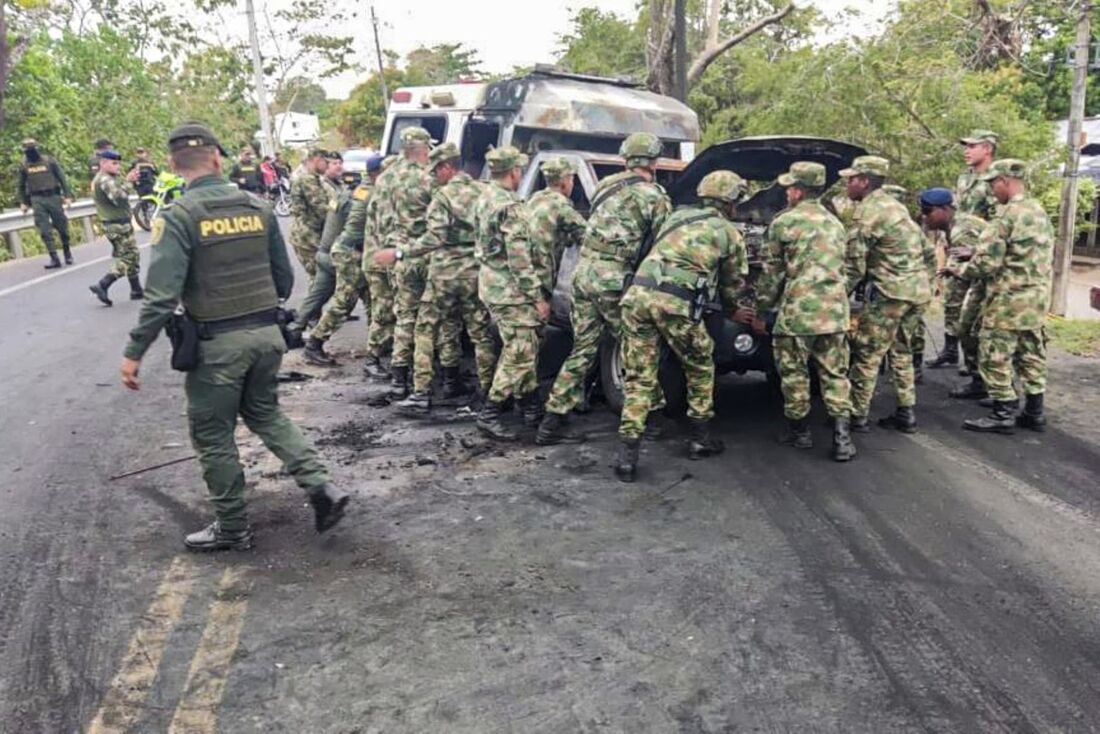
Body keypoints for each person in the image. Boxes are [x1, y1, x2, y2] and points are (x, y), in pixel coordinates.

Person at [119, 122, 348, 551]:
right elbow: (283, 281)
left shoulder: (178, 216)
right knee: (266, 415)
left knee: (213, 435)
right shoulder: (258, 209)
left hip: (217, 347)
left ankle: (232, 526)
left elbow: (160, 297)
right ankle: (321, 487)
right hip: (267, 337)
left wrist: (133, 353)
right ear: (218, 159)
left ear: (172, 165)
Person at [537, 133, 672, 444]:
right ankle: (650, 417)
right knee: (636, 345)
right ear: (653, 162)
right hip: (613, 279)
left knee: (583, 348)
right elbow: (661, 246)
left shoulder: (604, 187)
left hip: (582, 277)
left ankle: (551, 421)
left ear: (626, 159)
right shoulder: (655, 196)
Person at [613, 171, 748, 481]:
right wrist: (733, 311)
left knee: (639, 377)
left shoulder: (676, 217)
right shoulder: (728, 232)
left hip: (636, 299)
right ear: (731, 202)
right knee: (700, 365)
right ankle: (701, 438)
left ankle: (626, 457)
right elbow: (731, 285)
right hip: (676, 304)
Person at [377, 142, 497, 415]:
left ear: (447, 167)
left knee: (425, 330)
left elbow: (435, 238)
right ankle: (488, 392)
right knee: (480, 333)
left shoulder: (443, 197)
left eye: (436, 170)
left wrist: (398, 253)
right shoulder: (484, 191)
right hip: (475, 274)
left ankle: (421, 394)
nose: (433, 176)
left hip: (444, 275)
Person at [943, 159, 1053, 433]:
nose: (992, 190)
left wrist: (959, 270)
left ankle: (1003, 412)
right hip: (1036, 299)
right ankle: (1034, 411)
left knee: (995, 356)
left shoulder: (1006, 217)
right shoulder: (1038, 212)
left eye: (993, 183)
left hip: (1007, 300)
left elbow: (986, 264)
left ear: (1005, 180)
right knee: (1032, 355)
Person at [756, 162, 856, 462]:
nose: (787, 192)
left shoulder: (784, 223)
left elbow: (772, 274)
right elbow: (847, 268)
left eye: (790, 187)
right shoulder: (836, 225)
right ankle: (842, 440)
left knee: (794, 374)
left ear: (799, 191)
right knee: (835, 374)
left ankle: (800, 433)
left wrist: (761, 309)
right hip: (835, 313)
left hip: (797, 314)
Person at [842, 155, 931, 433]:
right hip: (917, 292)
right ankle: (906, 411)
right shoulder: (896, 208)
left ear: (865, 182)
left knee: (867, 352)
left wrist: (836, 296)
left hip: (890, 293)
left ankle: (856, 415)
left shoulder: (868, 212)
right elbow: (926, 248)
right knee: (901, 351)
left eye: (852, 179)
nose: (847, 184)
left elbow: (854, 265)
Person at [374, 127, 451, 397]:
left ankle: (398, 377)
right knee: (432, 319)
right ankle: (437, 375)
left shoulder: (385, 178)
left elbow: (378, 218)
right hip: (424, 255)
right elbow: (441, 220)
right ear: (423, 149)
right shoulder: (428, 178)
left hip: (396, 256)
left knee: (404, 317)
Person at [474, 146, 543, 440]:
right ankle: (490, 412)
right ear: (514, 171)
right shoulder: (510, 207)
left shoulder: (485, 197)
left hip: (491, 284)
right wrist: (537, 297)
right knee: (520, 352)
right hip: (511, 292)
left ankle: (529, 406)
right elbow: (519, 258)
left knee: (518, 345)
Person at [928, 129, 1000, 370]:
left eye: (972, 146)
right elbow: (953, 212)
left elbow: (999, 222)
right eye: (965, 146)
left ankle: (977, 365)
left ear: (988, 148)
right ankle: (950, 350)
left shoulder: (996, 179)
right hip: (957, 244)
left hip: (980, 248)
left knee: (974, 308)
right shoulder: (965, 178)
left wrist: (980, 249)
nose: (966, 151)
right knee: (951, 297)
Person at [302, 155, 374, 365]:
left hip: (345, 250)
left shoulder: (357, 191)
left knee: (372, 299)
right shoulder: (369, 194)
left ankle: (378, 346)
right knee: (345, 301)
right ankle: (314, 344)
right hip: (349, 253)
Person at [918, 188, 989, 399]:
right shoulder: (949, 226)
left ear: (945, 209)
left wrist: (954, 270)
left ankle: (983, 382)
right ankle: (980, 377)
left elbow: (978, 267)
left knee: (971, 329)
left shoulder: (963, 230)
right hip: (977, 282)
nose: (924, 216)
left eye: (928, 211)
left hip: (988, 285)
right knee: (963, 323)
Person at [291, 156, 360, 358]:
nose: (339, 166)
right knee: (345, 298)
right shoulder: (351, 199)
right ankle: (315, 341)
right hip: (325, 247)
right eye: (332, 163)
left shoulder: (341, 193)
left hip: (324, 249)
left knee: (318, 293)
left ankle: (295, 329)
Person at [882, 184, 934, 386]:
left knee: (913, 330)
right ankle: (900, 369)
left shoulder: (910, 227)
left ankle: (916, 368)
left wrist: (928, 280)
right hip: (896, 286)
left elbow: (929, 254)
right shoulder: (897, 225)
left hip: (909, 287)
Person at [526, 157, 587, 301]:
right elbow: (588, 236)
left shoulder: (534, 198)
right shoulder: (560, 206)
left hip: (525, 274)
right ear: (565, 182)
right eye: (572, 179)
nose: (572, 184)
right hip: (541, 279)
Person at [88, 150, 142, 305]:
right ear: (103, 163)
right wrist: (129, 182)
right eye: (114, 163)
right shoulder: (105, 180)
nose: (117, 166)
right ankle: (103, 284)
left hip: (117, 223)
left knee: (132, 254)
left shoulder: (109, 178)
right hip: (117, 224)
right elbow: (118, 198)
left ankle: (136, 290)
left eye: (118, 163)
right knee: (128, 257)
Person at [360, 155, 397, 380]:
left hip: (379, 262)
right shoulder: (382, 197)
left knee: (385, 310)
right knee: (382, 311)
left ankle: (381, 351)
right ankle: (371, 359)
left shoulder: (382, 194)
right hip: (378, 263)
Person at [18, 138, 75, 269]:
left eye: (32, 148)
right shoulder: (24, 165)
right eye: (27, 149)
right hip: (37, 199)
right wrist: (23, 202)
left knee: (62, 227)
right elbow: (21, 185)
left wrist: (67, 196)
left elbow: (62, 178)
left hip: (53, 196)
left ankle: (67, 253)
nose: (30, 152)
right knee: (44, 229)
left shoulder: (49, 161)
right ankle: (54, 257)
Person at [288, 148, 330, 283]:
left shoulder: (314, 179)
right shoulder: (307, 179)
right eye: (326, 162)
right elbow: (322, 208)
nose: (327, 166)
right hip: (306, 237)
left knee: (321, 278)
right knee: (319, 277)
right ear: (317, 160)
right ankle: (312, 305)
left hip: (311, 234)